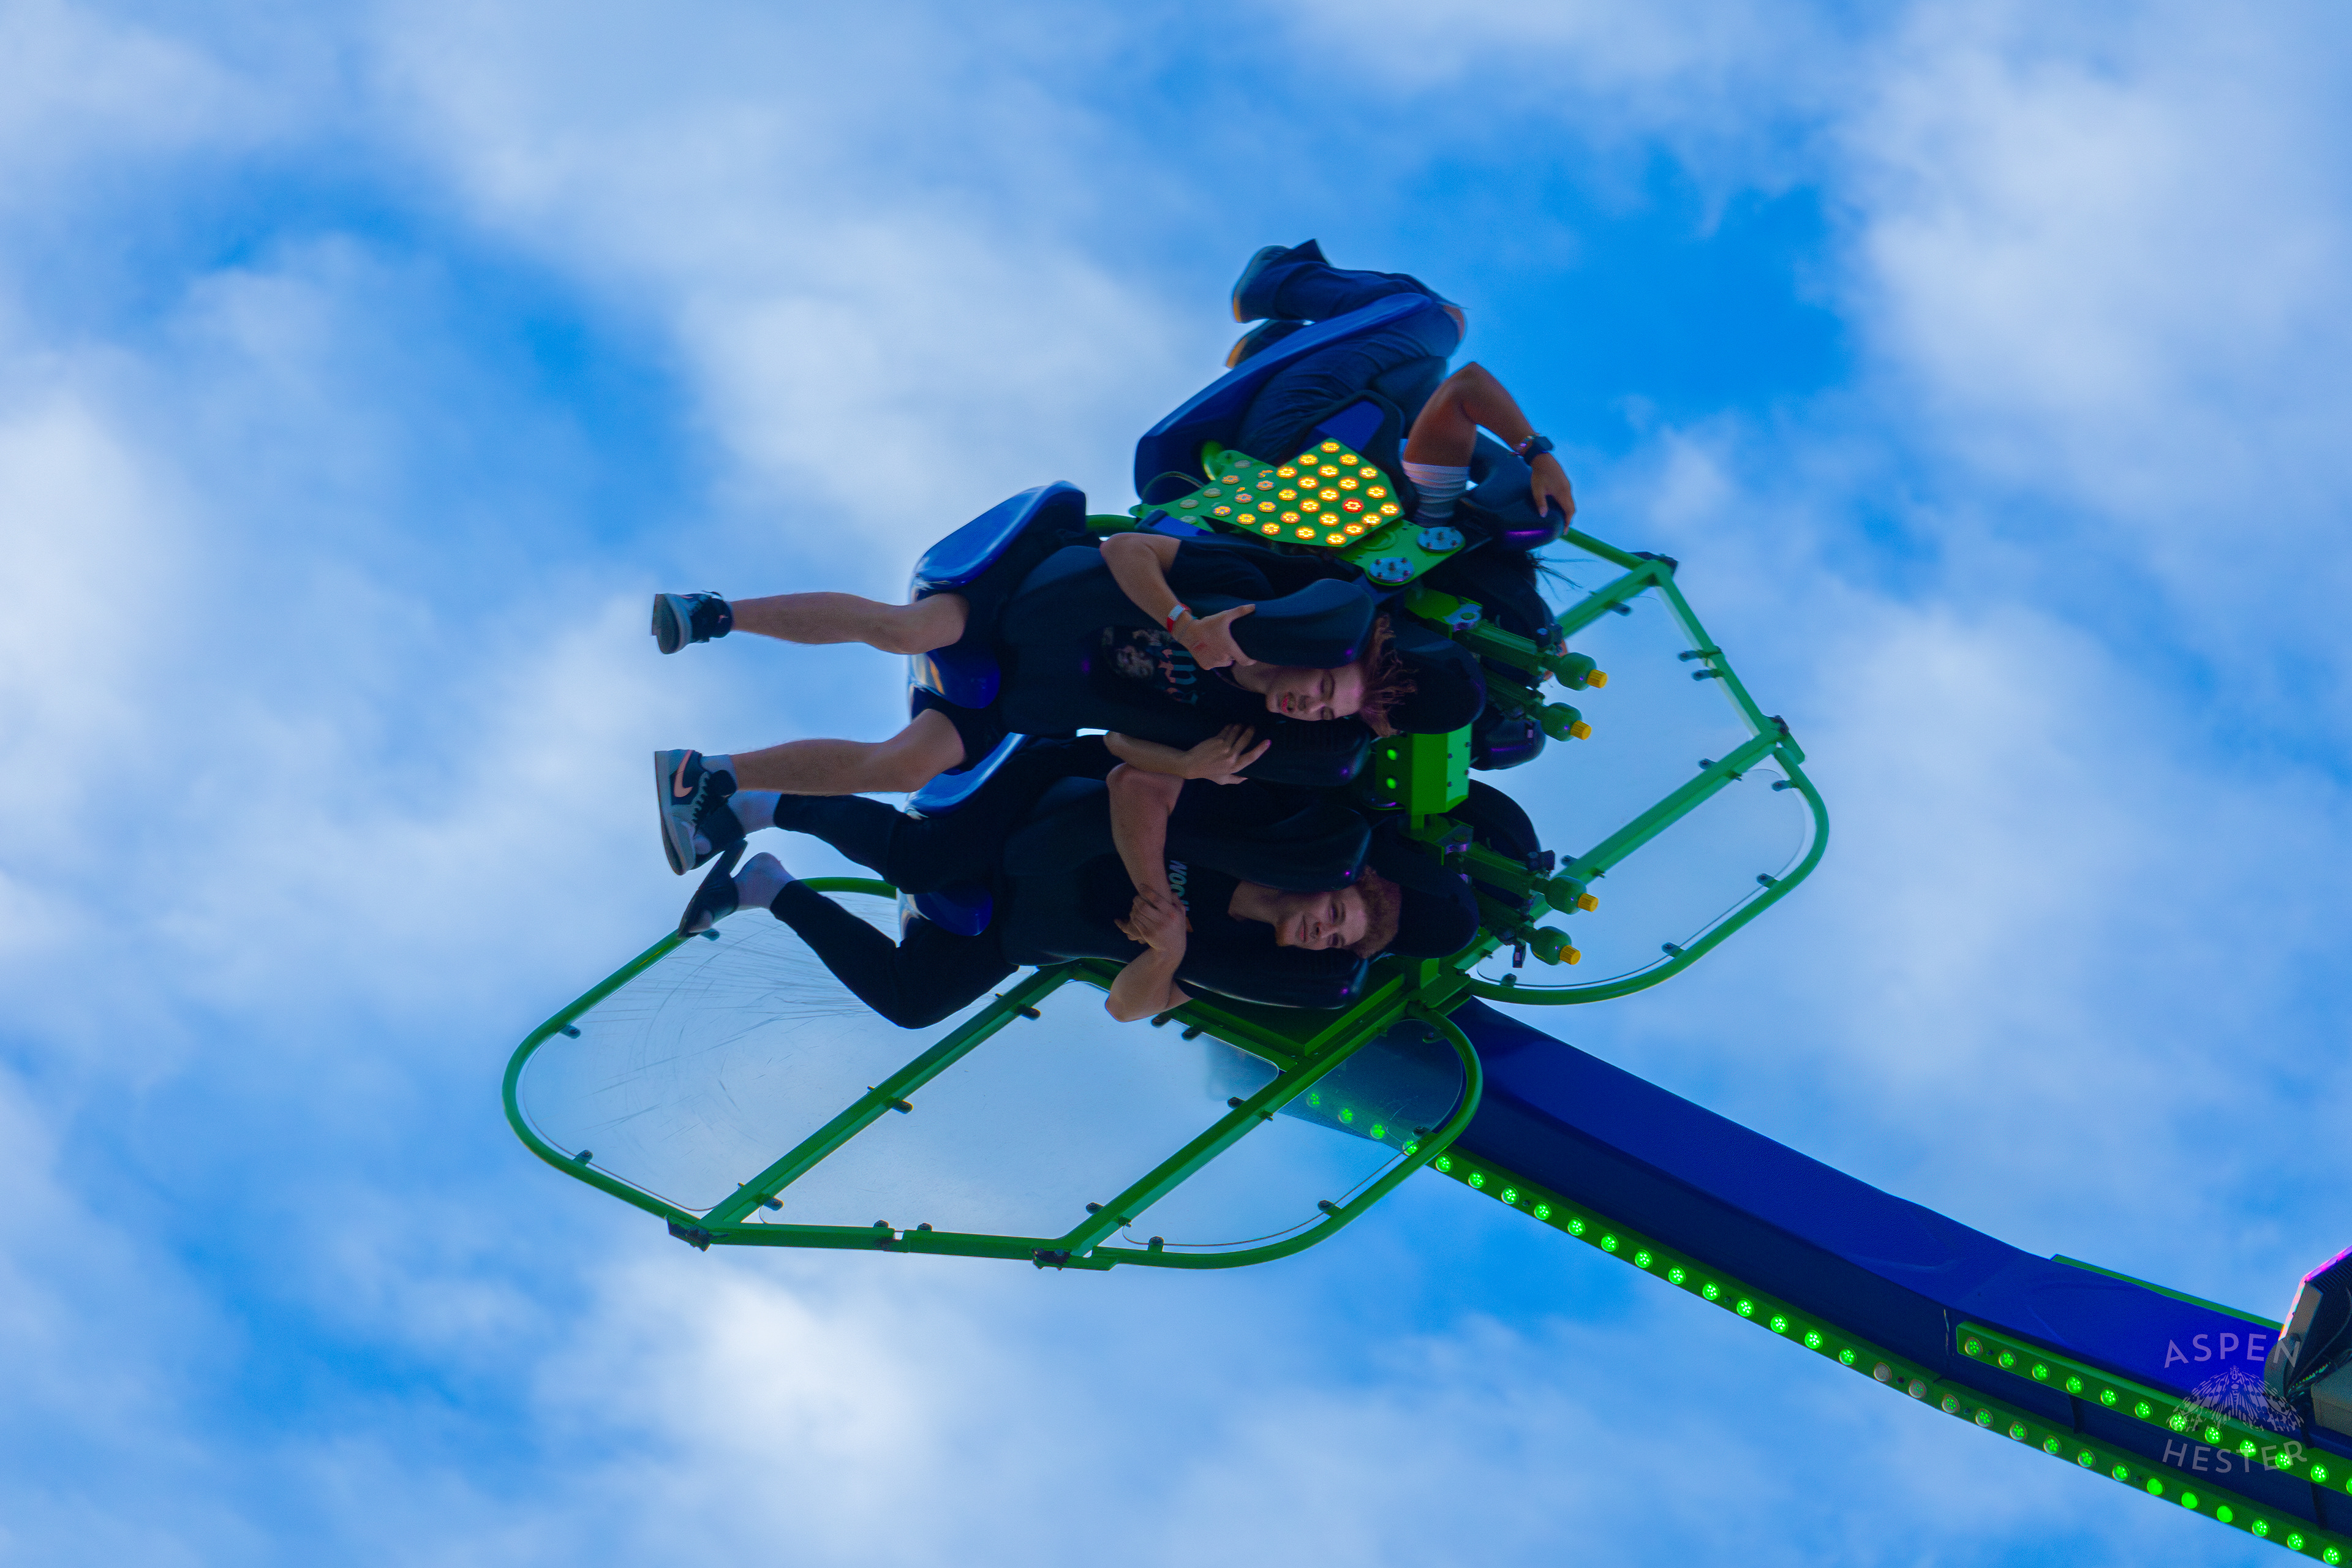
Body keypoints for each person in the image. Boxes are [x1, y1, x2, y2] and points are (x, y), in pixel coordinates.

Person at [646, 524, 1483, 874]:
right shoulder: (1241, 587)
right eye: (1329, 687)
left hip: (1030, 692)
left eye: (1334, 712)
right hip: (1024, 600)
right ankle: (715, 614)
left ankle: (708, 775)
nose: (1316, 707)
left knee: (907, 767)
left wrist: (1189, 765)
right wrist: (1183, 621)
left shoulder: (1236, 731)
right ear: (1324, 654)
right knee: (909, 633)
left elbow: (1118, 748)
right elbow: (1125, 550)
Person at [674, 736, 1476, 1027]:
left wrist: (1164, 953)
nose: (1321, 930)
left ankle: (765, 888)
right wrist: (1154, 888)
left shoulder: (1247, 960)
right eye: (1336, 911)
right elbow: (1133, 787)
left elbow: (1128, 1007)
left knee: (914, 1003)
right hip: (1040, 815)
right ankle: (762, 803)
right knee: (923, 861)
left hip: (1027, 923)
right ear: (1330, 882)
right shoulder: (1268, 830)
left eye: (1334, 938)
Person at [1217, 240, 1577, 530]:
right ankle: (1274, 350)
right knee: (1414, 383)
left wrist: (1538, 456)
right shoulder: (1419, 528)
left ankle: (1277, 283)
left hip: (1291, 431)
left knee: (1438, 318)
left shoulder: (1431, 514)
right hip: (1280, 451)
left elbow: (1468, 386)